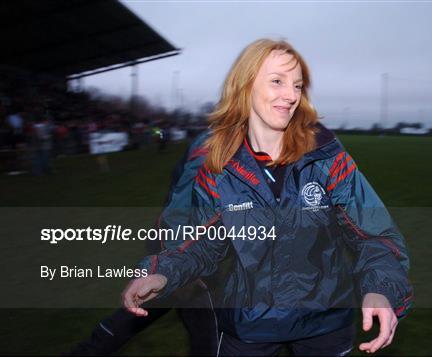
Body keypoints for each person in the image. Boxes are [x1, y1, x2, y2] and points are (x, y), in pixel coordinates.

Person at [122, 39, 413, 356]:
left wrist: (380, 289)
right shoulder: (219, 166)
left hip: (326, 322)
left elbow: (375, 235)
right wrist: (161, 272)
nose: (291, 95)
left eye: (297, 85)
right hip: (248, 323)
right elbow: (201, 244)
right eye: (277, 81)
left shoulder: (327, 157)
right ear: (245, 86)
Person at [67, 132, 220, 356]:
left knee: (137, 311)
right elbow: (185, 201)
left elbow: (176, 187)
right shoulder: (220, 144)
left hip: (174, 246)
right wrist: (177, 257)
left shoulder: (213, 138)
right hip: (183, 250)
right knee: (210, 338)